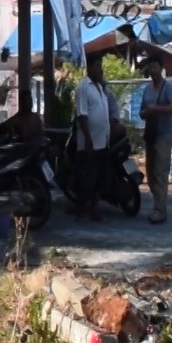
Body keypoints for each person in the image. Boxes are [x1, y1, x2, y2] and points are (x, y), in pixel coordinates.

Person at [139, 59, 172, 224]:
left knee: (161, 173)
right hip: (151, 135)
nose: (152, 70)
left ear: (161, 68)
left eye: (155, 66)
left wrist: (156, 109)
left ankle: (160, 210)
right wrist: (145, 113)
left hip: (164, 135)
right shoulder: (147, 90)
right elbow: (141, 111)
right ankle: (158, 205)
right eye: (150, 67)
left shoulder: (168, 87)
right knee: (151, 173)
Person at [73, 56, 112, 221]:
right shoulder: (84, 87)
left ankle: (95, 208)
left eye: (100, 66)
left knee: (99, 179)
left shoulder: (99, 88)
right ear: (89, 68)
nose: (100, 69)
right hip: (91, 143)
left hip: (102, 142)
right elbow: (82, 115)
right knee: (87, 179)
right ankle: (82, 208)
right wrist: (88, 139)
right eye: (97, 65)